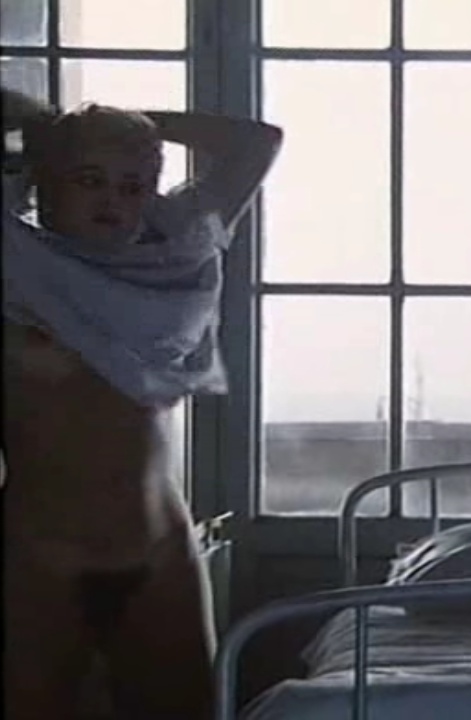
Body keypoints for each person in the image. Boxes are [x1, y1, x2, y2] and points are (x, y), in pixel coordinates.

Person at [2, 87, 282, 719]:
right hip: (39, 556)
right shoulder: (15, 265)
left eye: (133, 186)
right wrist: (55, 127)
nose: (112, 199)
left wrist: (136, 124)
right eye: (90, 179)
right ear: (45, 182)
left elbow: (256, 142)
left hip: (157, 552)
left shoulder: (178, 252)